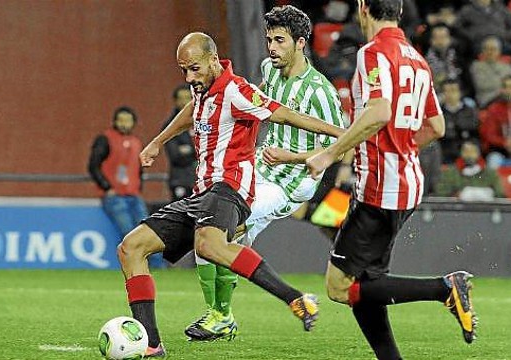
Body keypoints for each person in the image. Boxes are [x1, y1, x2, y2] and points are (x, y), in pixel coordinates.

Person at [118, 32, 344, 357]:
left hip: (230, 189)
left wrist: (345, 134)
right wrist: (158, 141)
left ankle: (295, 298)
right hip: (202, 192)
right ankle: (152, 345)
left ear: (213, 60)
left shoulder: (237, 91)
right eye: (184, 71)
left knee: (209, 245)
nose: (189, 78)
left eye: (194, 69)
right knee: (131, 248)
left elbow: (287, 115)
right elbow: (189, 112)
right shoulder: (203, 90)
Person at [306, 1, 477, 359]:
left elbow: (380, 112)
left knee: (338, 287)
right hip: (408, 184)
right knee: (370, 284)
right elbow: (437, 126)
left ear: (363, 8)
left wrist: (330, 153)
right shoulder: (417, 58)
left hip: (379, 189)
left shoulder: (372, 53)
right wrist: (399, 149)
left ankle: (443, 288)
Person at [184, 5, 347, 342]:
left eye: (280, 40)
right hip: (258, 169)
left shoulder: (320, 91)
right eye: (269, 39)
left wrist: (295, 156)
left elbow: (343, 143)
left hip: (292, 183)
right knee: (214, 235)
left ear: (301, 43)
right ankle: (221, 314)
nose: (272, 47)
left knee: (219, 231)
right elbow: (256, 99)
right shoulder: (269, 71)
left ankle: (222, 315)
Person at [87, 106, 163, 269]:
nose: (124, 124)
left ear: (133, 123)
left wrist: (138, 187)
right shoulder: (105, 139)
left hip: (134, 195)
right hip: (115, 196)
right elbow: (93, 165)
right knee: (129, 232)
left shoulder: (136, 142)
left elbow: (139, 168)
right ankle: (135, 267)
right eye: (120, 120)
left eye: (127, 120)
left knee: (150, 232)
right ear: (114, 121)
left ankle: (158, 267)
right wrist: (107, 187)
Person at [435, 140, 505, 200]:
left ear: (479, 153)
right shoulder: (450, 172)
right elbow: (441, 194)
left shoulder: (490, 173)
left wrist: (489, 194)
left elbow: (500, 195)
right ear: (460, 153)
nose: (469, 154)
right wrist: (456, 195)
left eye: (473, 151)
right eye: (466, 151)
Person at [162, 85, 196, 201]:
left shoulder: (203, 121)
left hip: (202, 180)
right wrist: (198, 152)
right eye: (180, 98)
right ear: (175, 101)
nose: (184, 102)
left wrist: (189, 150)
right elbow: (176, 156)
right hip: (181, 180)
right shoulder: (170, 127)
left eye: (187, 98)